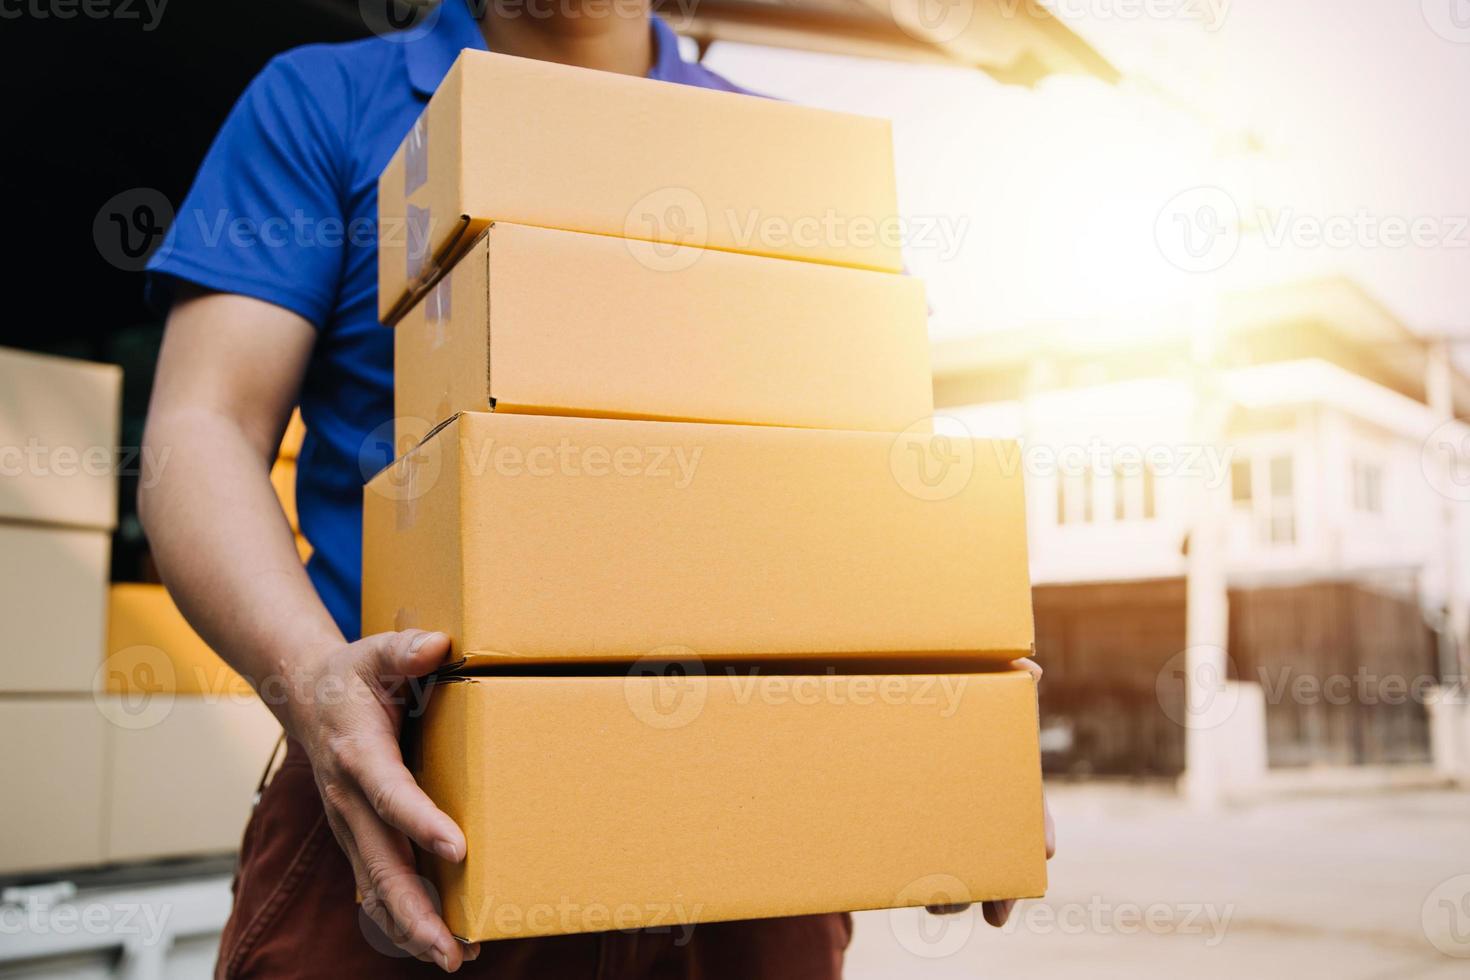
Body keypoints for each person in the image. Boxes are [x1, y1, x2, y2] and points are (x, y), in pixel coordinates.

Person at [140, 1, 1053, 975]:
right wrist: (312, 679)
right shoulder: (325, 102)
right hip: (401, 799)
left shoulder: (778, 152)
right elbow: (206, 427)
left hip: (750, 801)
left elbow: (855, 479)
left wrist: (956, 716)